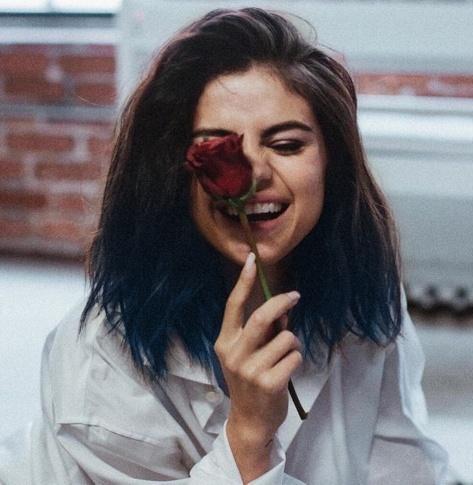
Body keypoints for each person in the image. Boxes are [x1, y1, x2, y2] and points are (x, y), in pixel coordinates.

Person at [0, 7, 448, 484]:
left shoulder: (364, 292)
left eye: (287, 145)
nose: (255, 174)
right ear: (172, 174)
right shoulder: (100, 358)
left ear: (331, 163)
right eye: (216, 148)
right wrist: (248, 436)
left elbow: (405, 468)